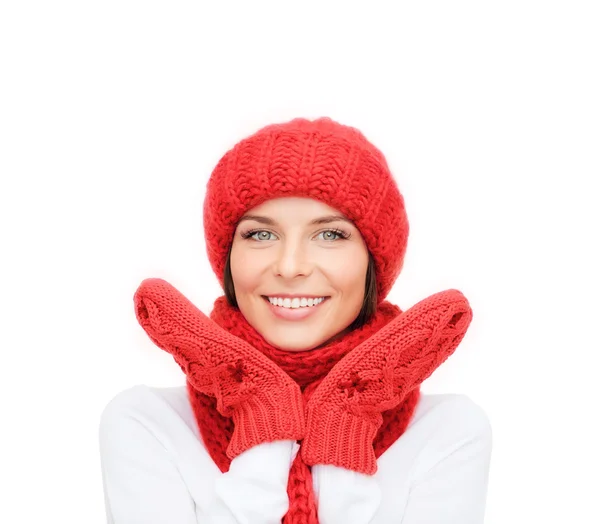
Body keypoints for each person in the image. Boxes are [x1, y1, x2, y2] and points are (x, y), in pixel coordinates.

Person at [98, 116, 493, 524]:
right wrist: (259, 411)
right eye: (260, 235)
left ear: (373, 262)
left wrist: (346, 423)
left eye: (331, 235)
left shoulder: (447, 433)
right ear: (229, 258)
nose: (290, 267)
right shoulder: (147, 424)